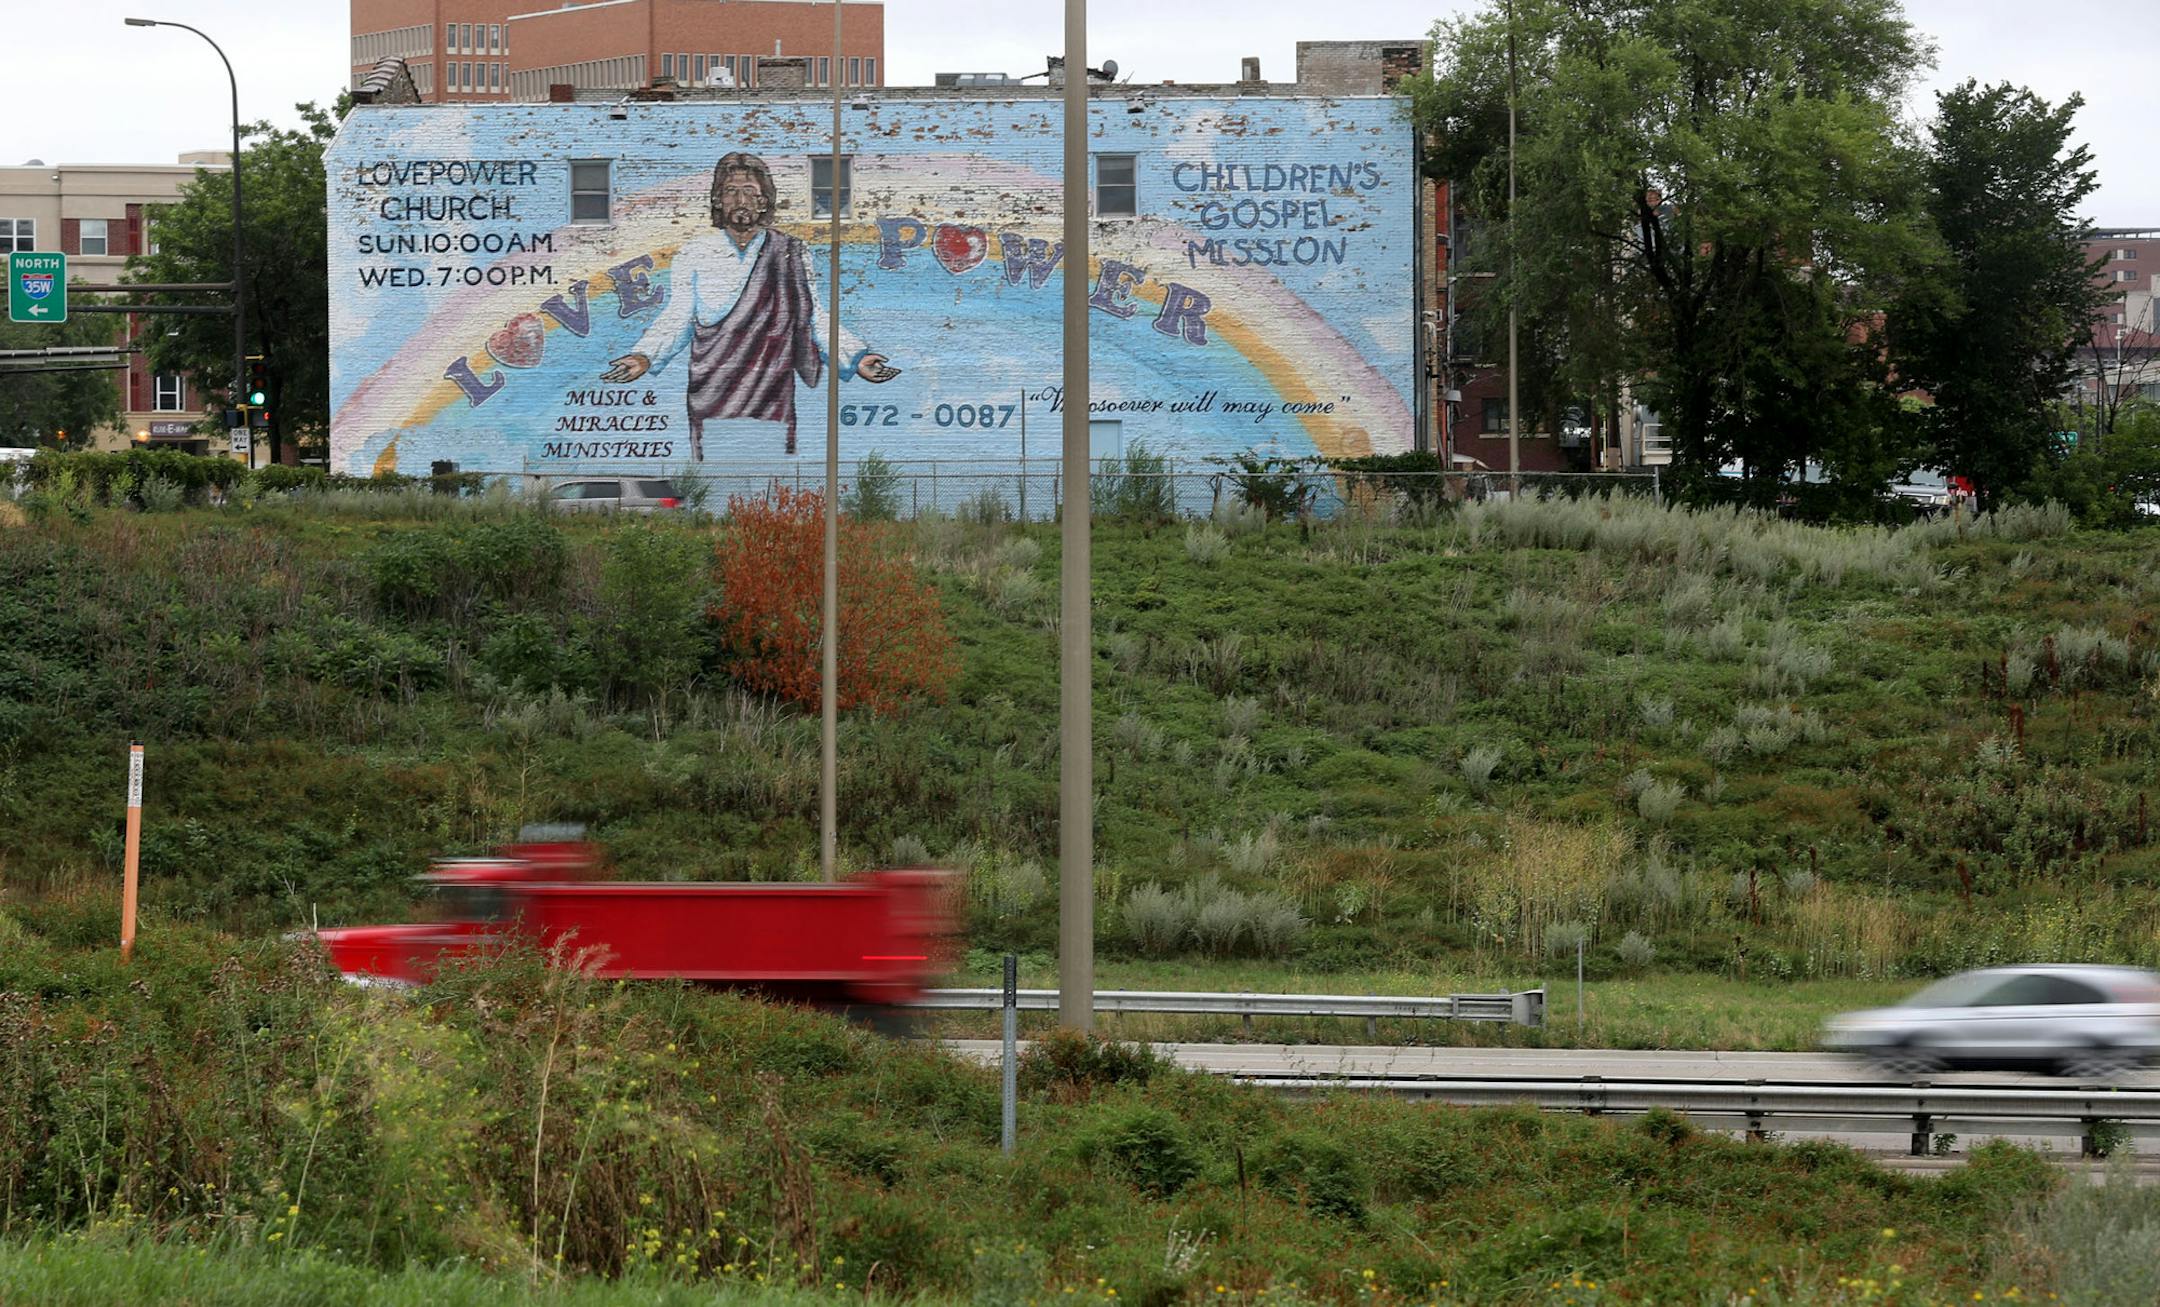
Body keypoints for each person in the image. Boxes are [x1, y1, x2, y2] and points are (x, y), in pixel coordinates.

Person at [603, 151, 898, 457]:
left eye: (749, 192)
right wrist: (643, 357)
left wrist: (856, 358)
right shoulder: (695, 253)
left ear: (763, 202)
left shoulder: (790, 252)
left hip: (771, 386)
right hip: (712, 387)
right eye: (731, 192)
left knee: (774, 469)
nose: (740, 200)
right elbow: (678, 317)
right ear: (718, 200)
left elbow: (813, 318)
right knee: (712, 465)